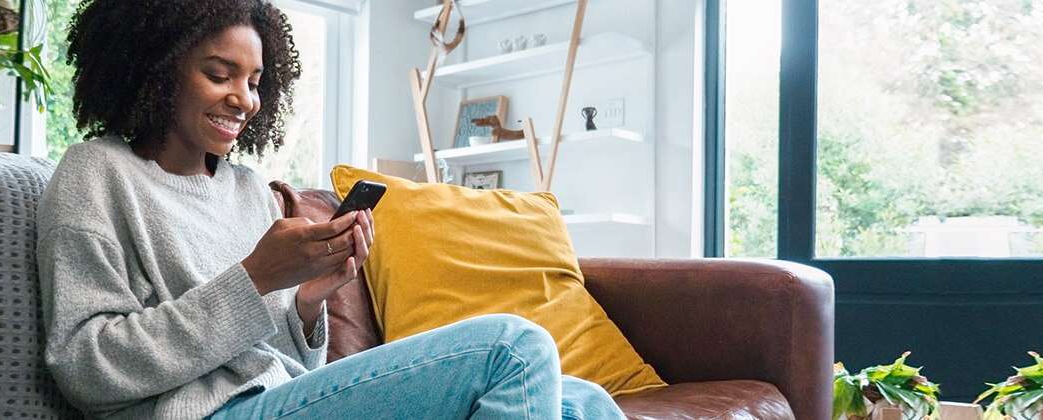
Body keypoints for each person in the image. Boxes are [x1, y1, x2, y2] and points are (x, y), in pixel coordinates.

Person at [37, 0, 626, 418]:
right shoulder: (97, 173)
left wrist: (309, 301)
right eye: (220, 74)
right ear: (155, 68)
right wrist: (256, 277)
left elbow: (280, 358)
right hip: (200, 414)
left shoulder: (245, 190)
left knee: (586, 403)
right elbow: (86, 367)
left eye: (255, 80)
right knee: (511, 347)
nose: (244, 99)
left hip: (284, 400)